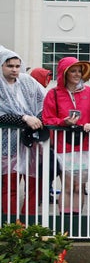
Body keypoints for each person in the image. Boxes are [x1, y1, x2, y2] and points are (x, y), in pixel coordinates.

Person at [42, 57, 90, 214]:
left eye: (79, 71)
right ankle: (65, 222)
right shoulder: (53, 94)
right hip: (64, 146)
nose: (77, 74)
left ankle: (76, 221)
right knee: (68, 185)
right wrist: (64, 122)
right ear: (64, 73)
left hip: (86, 145)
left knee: (79, 186)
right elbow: (47, 119)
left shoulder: (89, 92)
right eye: (73, 71)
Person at [0, 46, 47, 216]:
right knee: (9, 185)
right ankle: (12, 226)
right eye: (10, 66)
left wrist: (39, 120)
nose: (14, 69)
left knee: (35, 185)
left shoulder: (27, 82)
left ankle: (30, 223)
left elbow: (44, 101)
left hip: (31, 143)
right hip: (7, 145)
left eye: (17, 66)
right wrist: (24, 119)